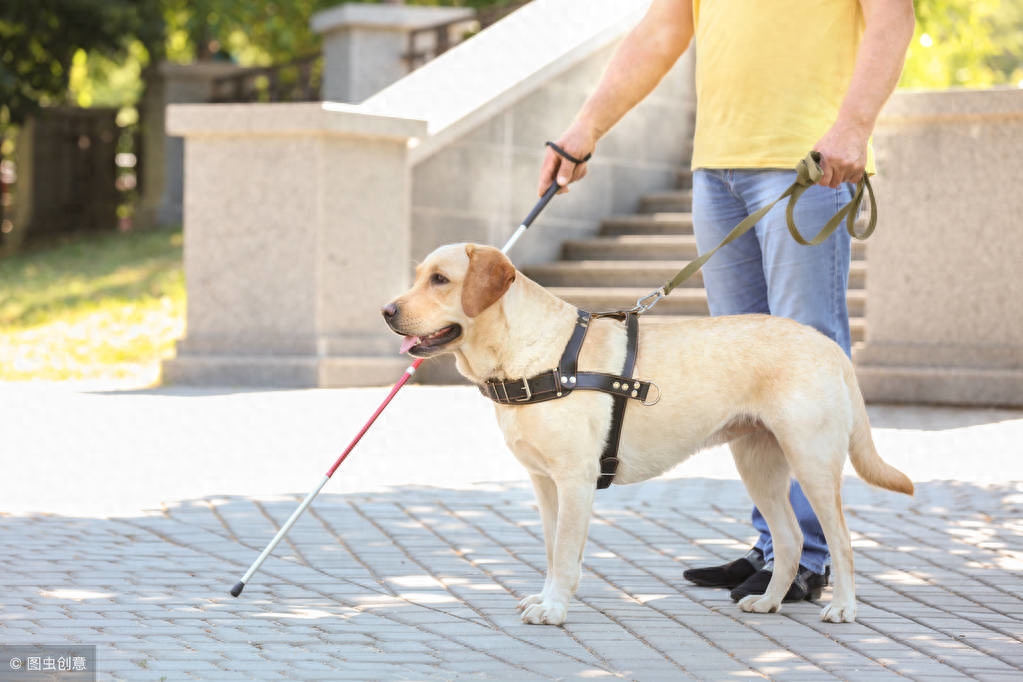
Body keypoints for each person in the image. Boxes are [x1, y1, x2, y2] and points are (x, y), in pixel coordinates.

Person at [538, 0, 915, 602]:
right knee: (742, 374)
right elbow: (663, 28)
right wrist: (586, 127)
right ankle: (777, 549)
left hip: (809, 165)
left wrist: (854, 125)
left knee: (804, 357)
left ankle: (812, 558)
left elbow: (894, 18)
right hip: (717, 170)